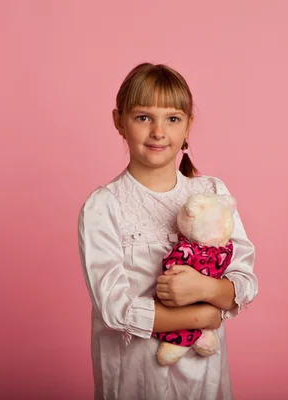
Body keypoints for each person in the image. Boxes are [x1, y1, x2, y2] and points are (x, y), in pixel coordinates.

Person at [77, 62, 258, 400]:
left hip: (204, 376)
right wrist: (203, 314)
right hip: (136, 375)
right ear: (119, 121)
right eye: (143, 117)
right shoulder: (105, 206)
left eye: (172, 119)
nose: (159, 131)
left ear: (189, 125)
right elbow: (115, 309)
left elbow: (244, 280)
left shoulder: (212, 193)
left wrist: (205, 287)